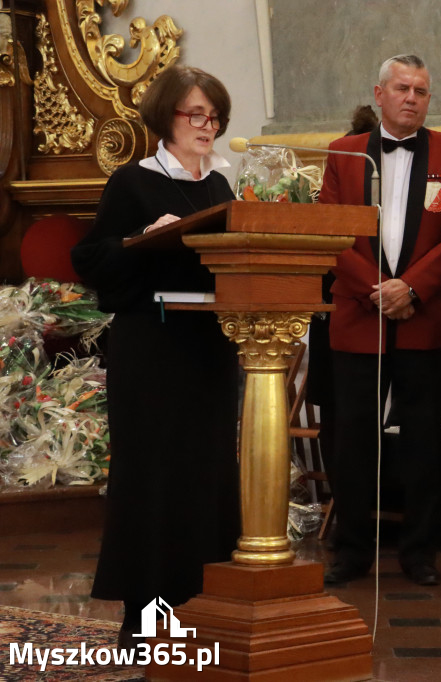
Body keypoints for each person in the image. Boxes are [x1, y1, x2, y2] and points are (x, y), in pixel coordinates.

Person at [71, 65, 240, 647]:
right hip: (152, 349)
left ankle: (202, 604)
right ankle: (144, 615)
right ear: (165, 117)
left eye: (213, 115)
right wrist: (145, 237)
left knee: (207, 472)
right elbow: (92, 258)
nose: (206, 125)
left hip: (209, 349)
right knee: (153, 478)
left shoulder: (220, 186)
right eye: (195, 113)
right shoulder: (133, 182)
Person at [318, 55, 441, 587]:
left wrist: (412, 288)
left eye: (422, 91)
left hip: (423, 315)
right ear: (379, 94)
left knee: (426, 439)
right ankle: (353, 548)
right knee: (353, 437)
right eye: (402, 88)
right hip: (360, 316)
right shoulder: (344, 154)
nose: (412, 98)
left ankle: (420, 550)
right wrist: (376, 291)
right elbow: (330, 231)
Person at [305, 104, 379, 497]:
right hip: (340, 312)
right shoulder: (333, 188)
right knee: (340, 415)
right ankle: (352, 508)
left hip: (346, 309)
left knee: (338, 418)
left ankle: (347, 505)